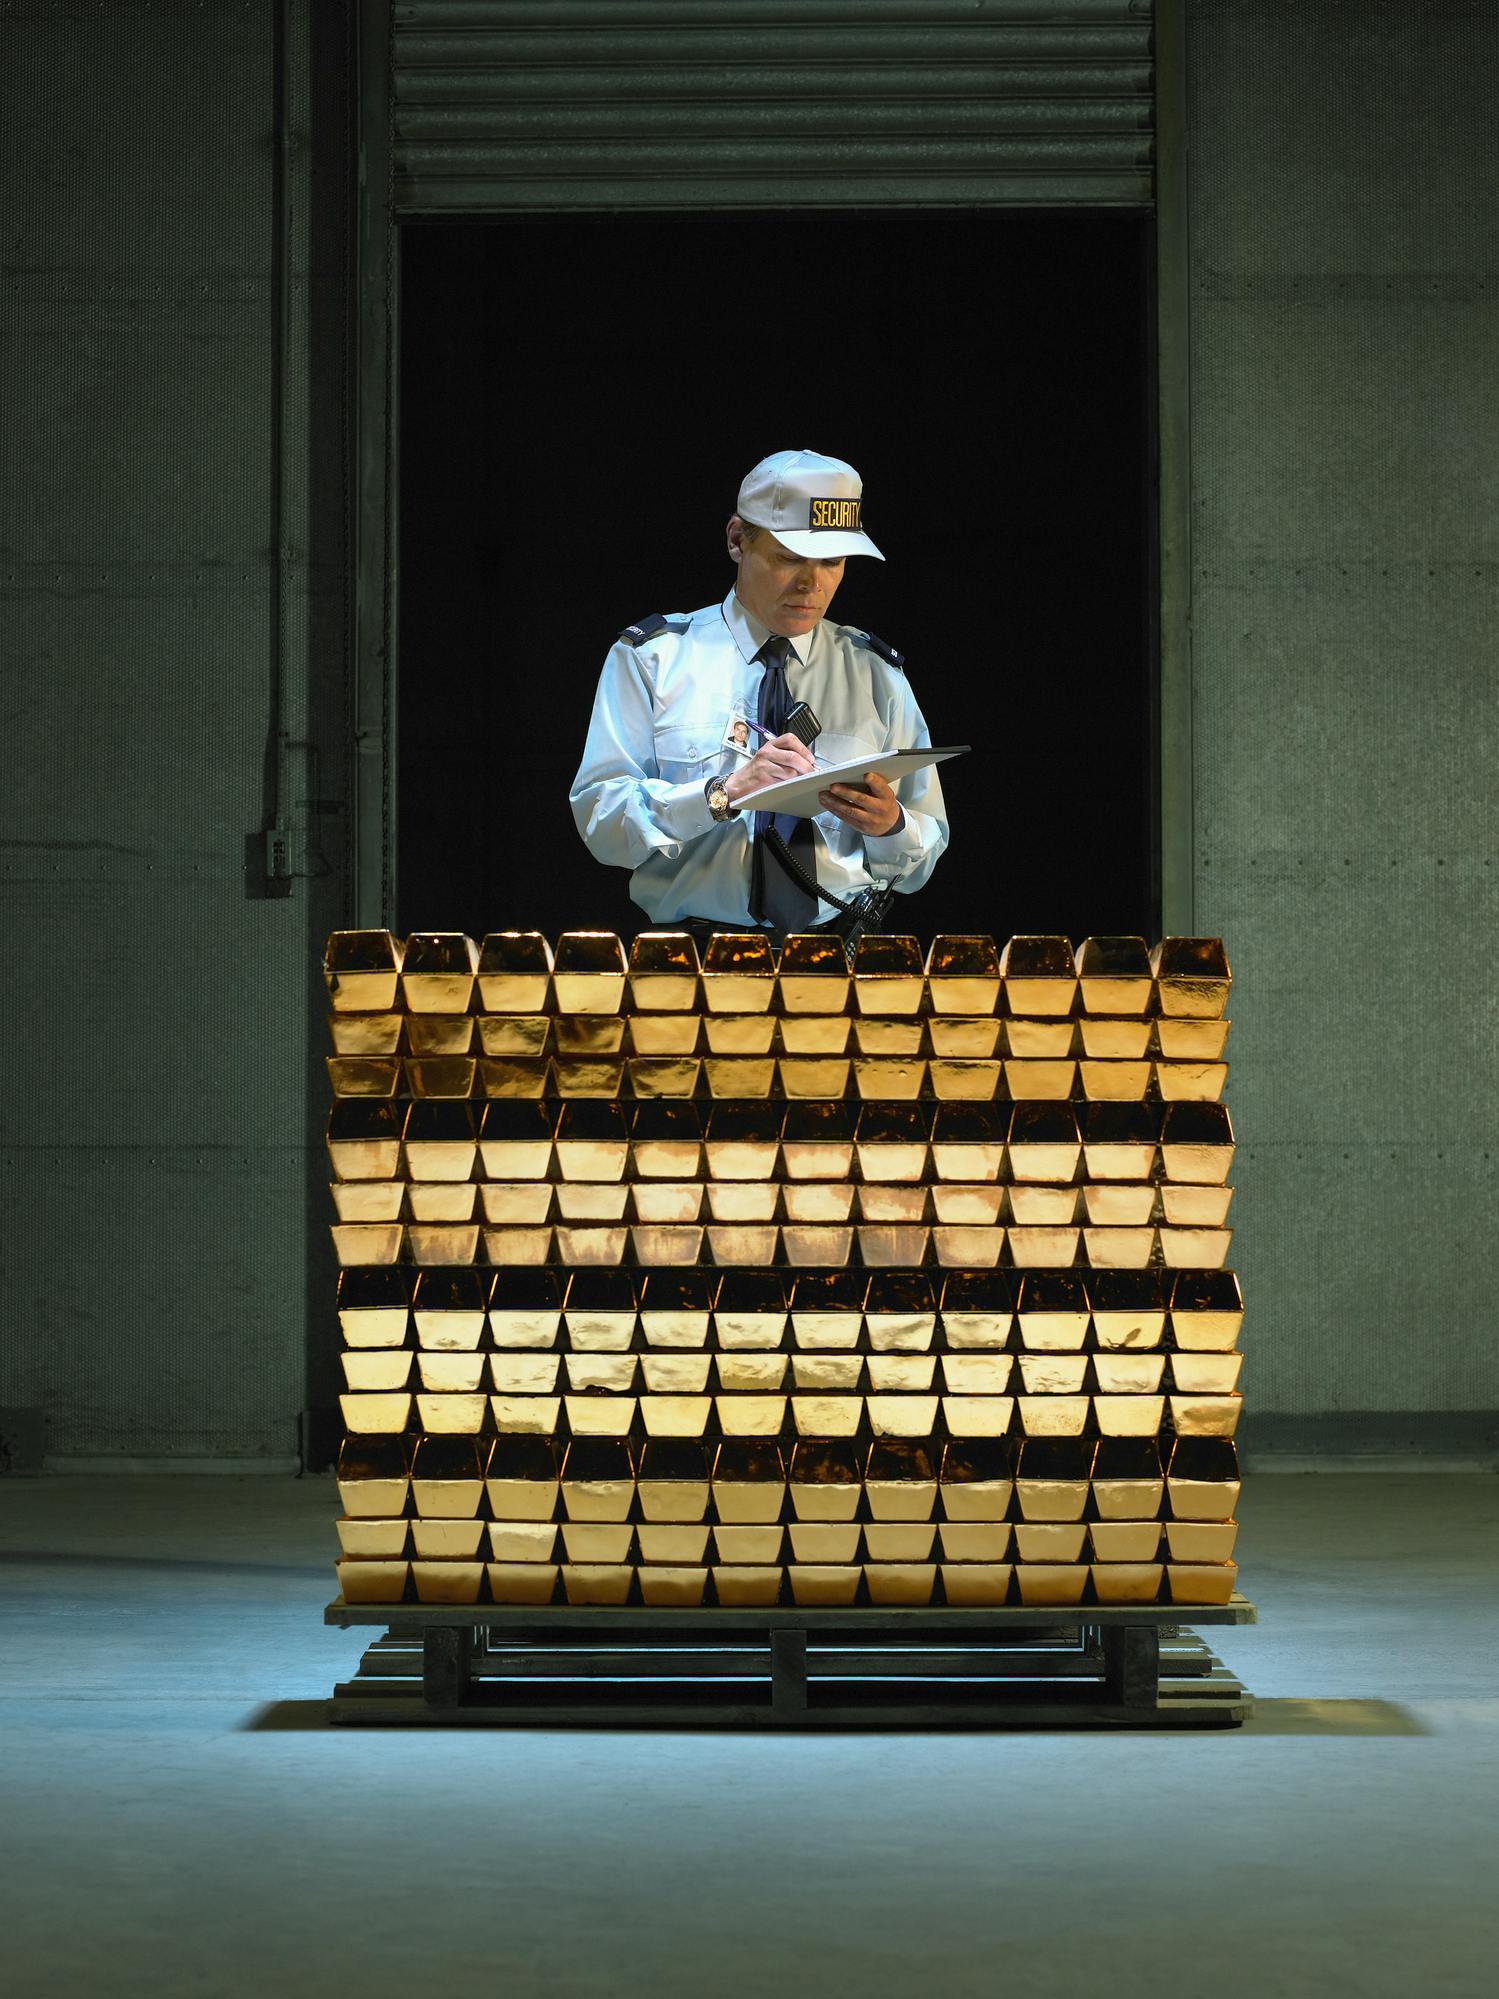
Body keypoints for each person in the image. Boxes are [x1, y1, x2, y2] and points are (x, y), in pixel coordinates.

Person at [569, 447, 949, 938]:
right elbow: (602, 826)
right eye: (789, 557)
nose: (811, 583)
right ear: (736, 540)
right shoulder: (653, 660)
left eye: (832, 561)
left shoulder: (875, 673)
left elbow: (924, 854)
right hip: (692, 959)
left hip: (835, 957)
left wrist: (891, 827)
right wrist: (722, 795)